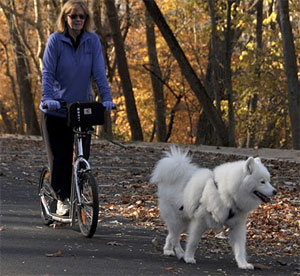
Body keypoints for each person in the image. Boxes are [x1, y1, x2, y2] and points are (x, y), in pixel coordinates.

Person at [40, 0, 115, 216]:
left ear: (86, 19)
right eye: (73, 16)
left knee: (83, 158)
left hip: (81, 109)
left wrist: (107, 98)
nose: (78, 20)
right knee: (61, 157)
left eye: (82, 16)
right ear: (65, 18)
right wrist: (48, 97)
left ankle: (79, 196)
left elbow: (99, 73)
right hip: (56, 109)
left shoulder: (92, 42)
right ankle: (61, 198)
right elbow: (48, 73)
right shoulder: (56, 41)